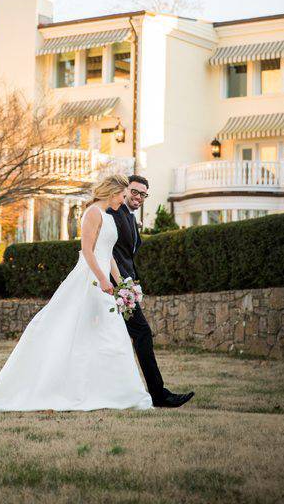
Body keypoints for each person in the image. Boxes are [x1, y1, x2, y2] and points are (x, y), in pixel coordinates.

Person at [0, 175, 154, 412]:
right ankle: (71, 387)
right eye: (122, 195)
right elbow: (87, 251)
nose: (123, 201)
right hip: (89, 279)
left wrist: (121, 283)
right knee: (73, 330)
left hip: (104, 282)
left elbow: (107, 252)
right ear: (112, 192)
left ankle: (117, 393)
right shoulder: (92, 213)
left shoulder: (109, 217)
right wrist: (101, 279)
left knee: (108, 333)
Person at [108, 174, 195, 408]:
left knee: (123, 336)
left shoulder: (128, 216)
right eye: (134, 192)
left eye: (143, 194)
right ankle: (158, 394)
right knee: (142, 333)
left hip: (124, 285)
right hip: (112, 287)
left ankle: (155, 393)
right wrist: (121, 285)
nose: (138, 197)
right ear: (124, 190)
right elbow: (105, 251)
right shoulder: (111, 213)